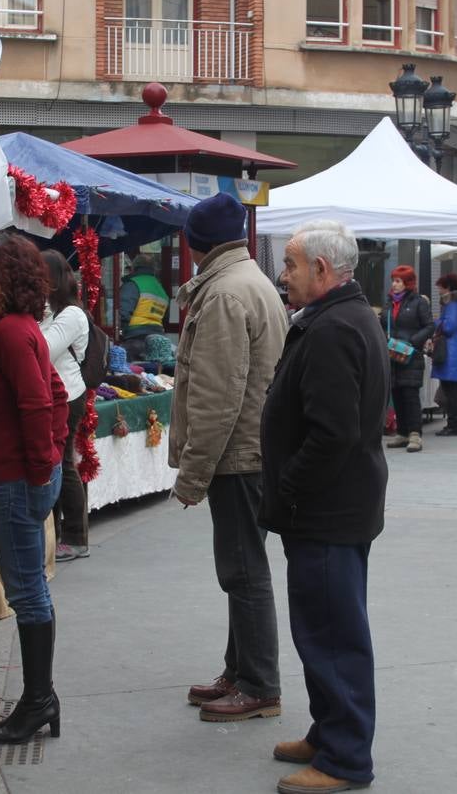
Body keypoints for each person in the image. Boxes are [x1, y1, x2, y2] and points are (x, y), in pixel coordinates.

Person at [261, 219, 387, 794]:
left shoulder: (335, 327)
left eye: (289, 265)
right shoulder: (337, 317)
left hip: (327, 510)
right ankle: (328, 730)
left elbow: (333, 433)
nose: (282, 275)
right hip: (330, 508)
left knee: (334, 635)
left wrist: (289, 484)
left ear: (321, 270)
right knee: (320, 628)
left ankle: (344, 758)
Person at [169, 193, 289, 723]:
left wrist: (193, 475)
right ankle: (241, 671)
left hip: (239, 456)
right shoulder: (250, 281)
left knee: (242, 572)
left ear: (197, 245)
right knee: (245, 567)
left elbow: (217, 396)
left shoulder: (224, 294)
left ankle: (259, 683)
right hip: (254, 449)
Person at [0, 233, 70, 745]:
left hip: (13, 482)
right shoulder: (16, 329)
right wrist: (49, 461)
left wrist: (37, 472)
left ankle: (37, 701)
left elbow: (38, 402)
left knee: (26, 593)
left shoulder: (11, 331)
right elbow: (53, 395)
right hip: (17, 478)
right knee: (32, 591)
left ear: (6, 278)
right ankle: (39, 699)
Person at [39, 250, 91, 563]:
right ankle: (55, 534)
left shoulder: (71, 315)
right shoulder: (49, 312)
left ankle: (75, 537)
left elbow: (44, 349)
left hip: (68, 396)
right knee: (54, 463)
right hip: (50, 396)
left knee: (63, 464)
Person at [381, 265, 433, 452]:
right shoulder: (388, 303)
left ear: (407, 283)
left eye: (398, 281)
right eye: (393, 280)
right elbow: (383, 324)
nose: (394, 284)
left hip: (411, 355)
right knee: (397, 395)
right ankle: (402, 433)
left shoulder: (419, 302)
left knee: (410, 395)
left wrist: (412, 342)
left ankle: (415, 434)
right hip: (392, 355)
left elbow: (429, 326)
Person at [431, 274, 457, 437]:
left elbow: (449, 326)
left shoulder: (452, 306)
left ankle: (454, 424)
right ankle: (456, 423)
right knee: (454, 389)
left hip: (450, 350)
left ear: (447, 287)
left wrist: (436, 322)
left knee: (451, 389)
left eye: (440, 287)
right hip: (455, 348)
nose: (439, 290)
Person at [117, 252, 169, 361]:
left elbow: (123, 313)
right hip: (156, 340)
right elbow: (164, 317)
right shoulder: (160, 289)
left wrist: (121, 334)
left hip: (135, 339)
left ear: (134, 268)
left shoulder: (132, 284)